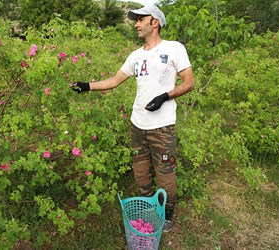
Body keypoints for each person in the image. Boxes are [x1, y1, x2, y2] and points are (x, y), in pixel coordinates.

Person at [71, 4, 195, 232]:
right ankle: (149, 208)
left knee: (166, 174)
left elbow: (189, 82)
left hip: (162, 127)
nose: (136, 24)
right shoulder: (135, 56)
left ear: (155, 22)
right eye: (135, 20)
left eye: (140, 19)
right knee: (140, 174)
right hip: (137, 125)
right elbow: (115, 80)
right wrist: (87, 86)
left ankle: (167, 214)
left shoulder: (174, 48)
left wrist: (165, 96)